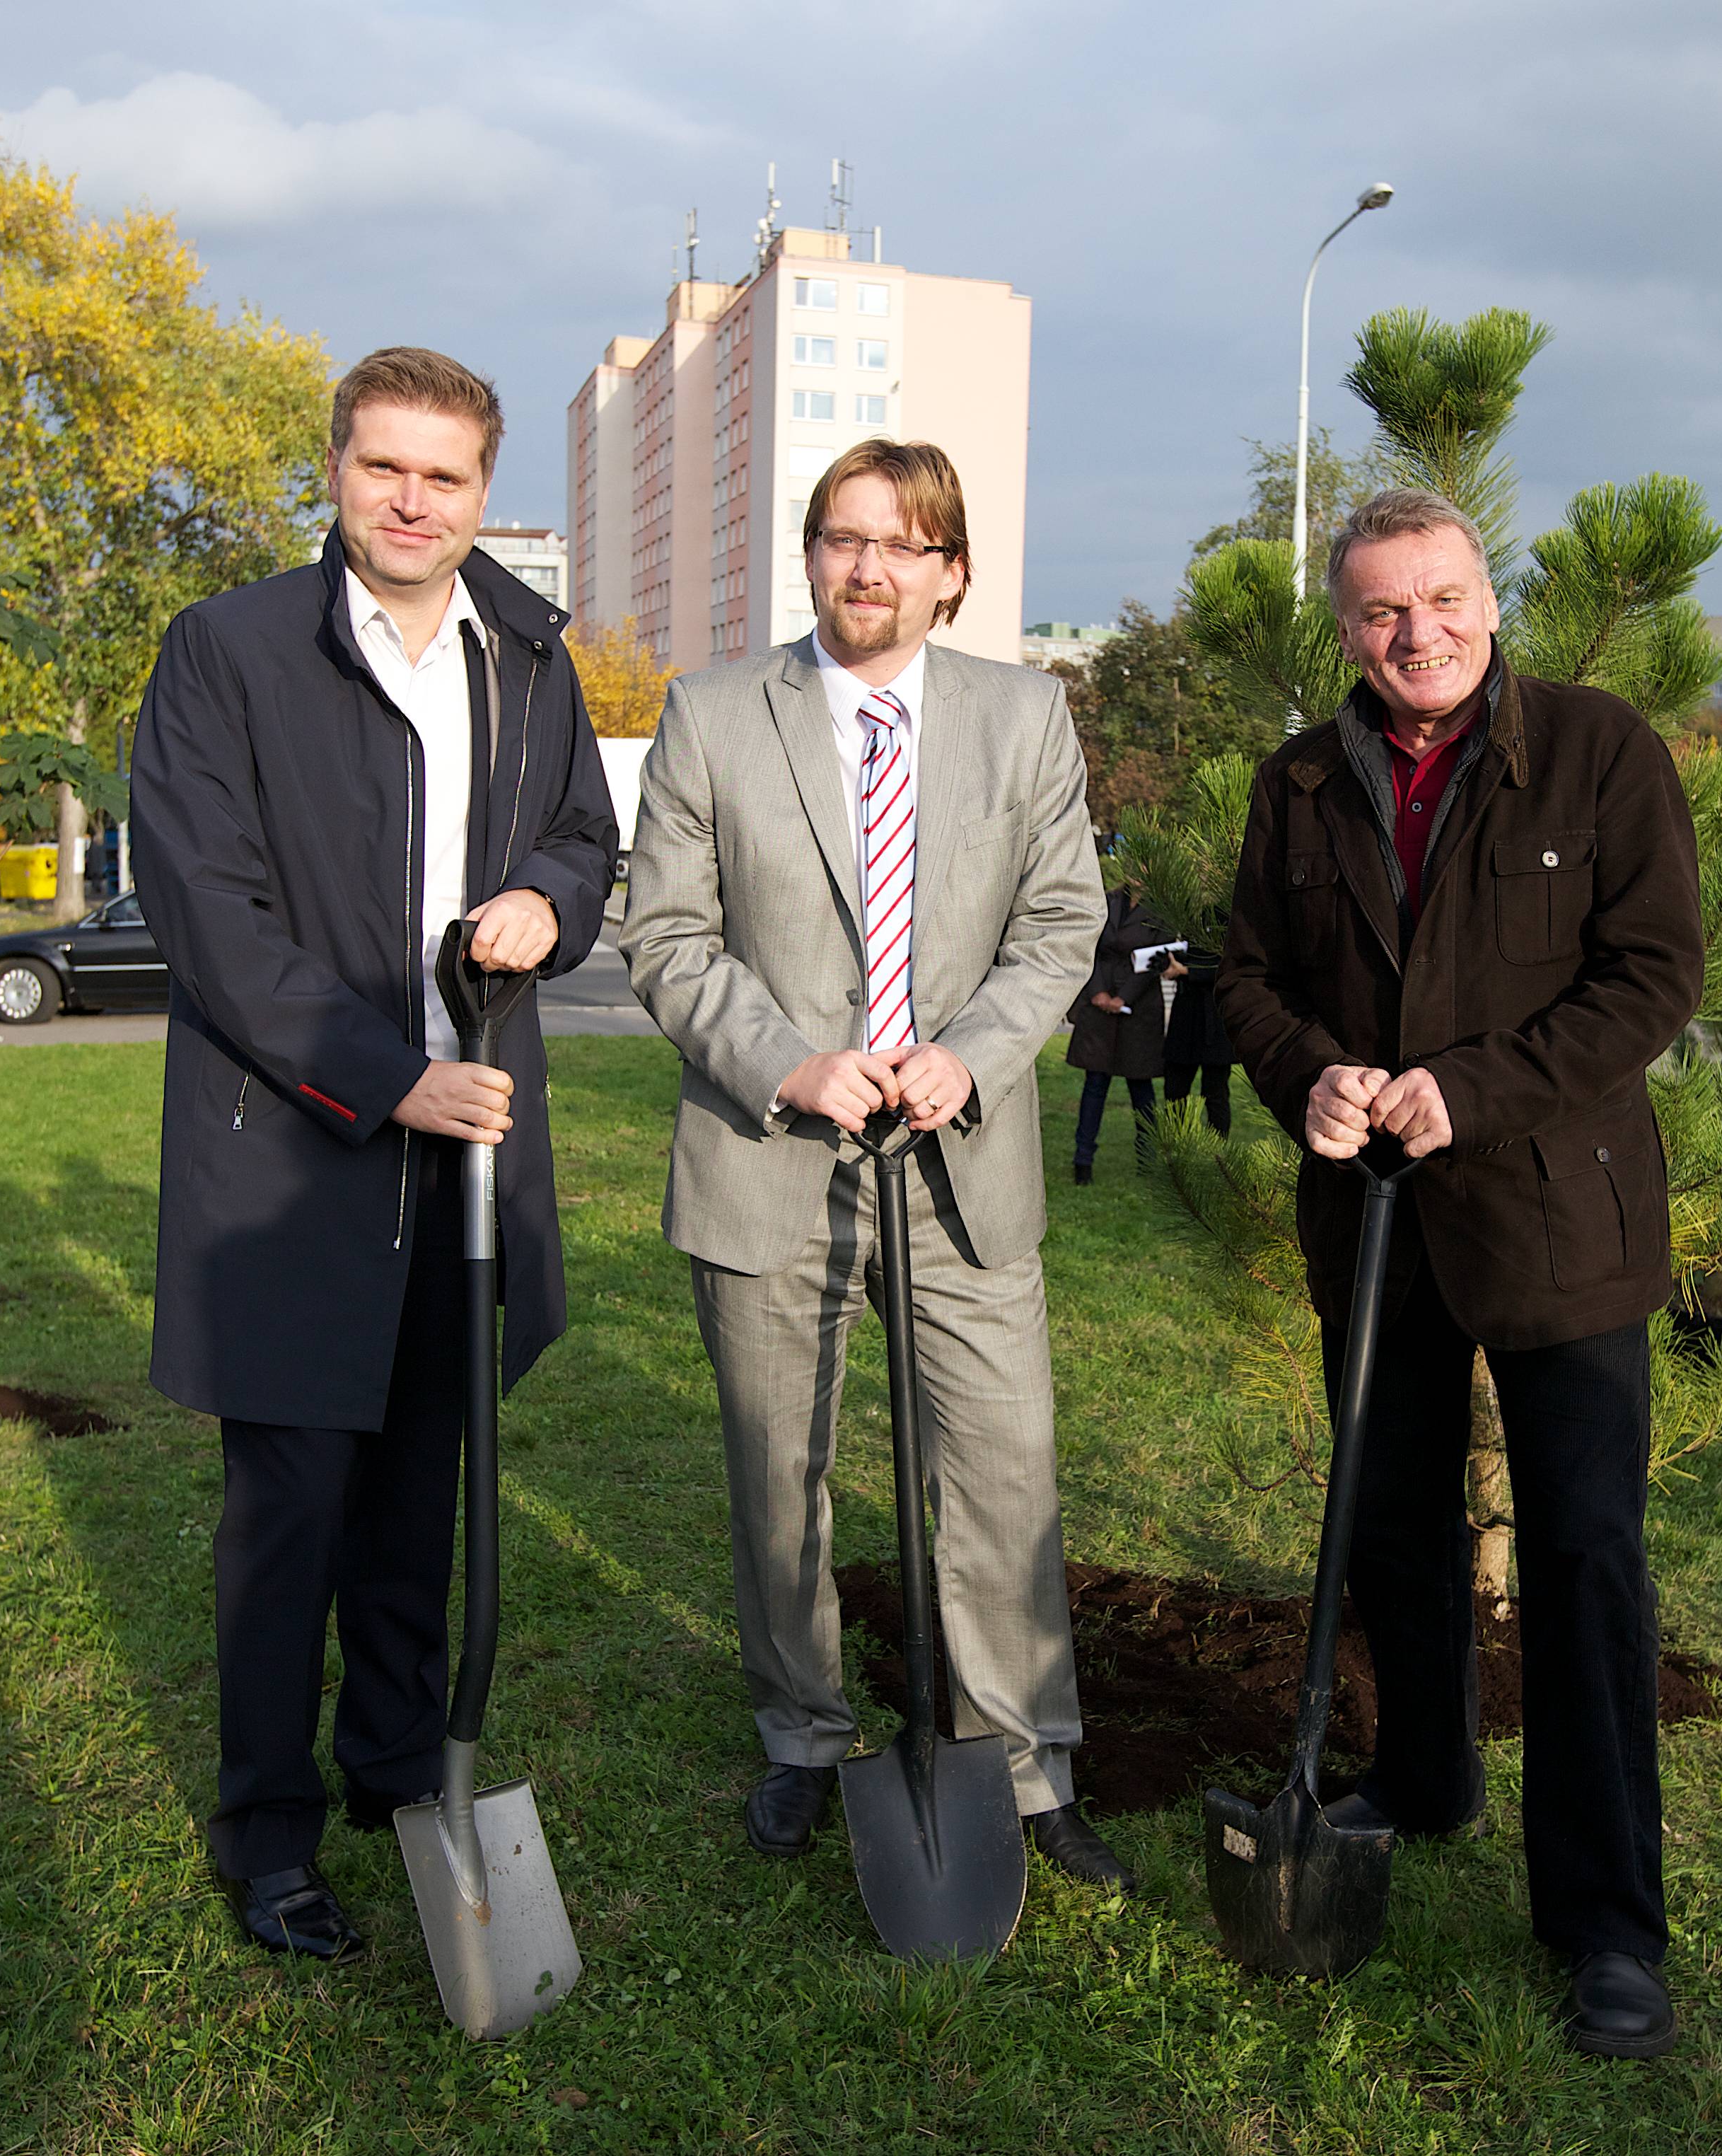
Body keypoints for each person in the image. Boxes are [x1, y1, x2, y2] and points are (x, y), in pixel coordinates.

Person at [131, 347, 619, 1962]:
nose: (413, 503)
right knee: (289, 1516)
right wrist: (383, 1075)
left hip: (466, 1147)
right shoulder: (228, 652)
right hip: (290, 1155)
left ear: (486, 493)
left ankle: (400, 1775)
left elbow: (578, 832)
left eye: (447, 477)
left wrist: (553, 894)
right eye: (382, 468)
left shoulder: (531, 655)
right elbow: (211, 916)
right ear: (334, 470)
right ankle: (268, 1834)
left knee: (420, 1492)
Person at [1216, 487, 1706, 2058]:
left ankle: (1607, 1925)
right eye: (1378, 611)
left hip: (1558, 1218)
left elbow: (1654, 973)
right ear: (1347, 627)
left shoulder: (1598, 750)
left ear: (1489, 600)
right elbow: (1242, 976)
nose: (1412, 633)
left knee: (1582, 1563)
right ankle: (1421, 1783)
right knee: (1393, 1529)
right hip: (1373, 1220)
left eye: (1439, 600)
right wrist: (1315, 1074)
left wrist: (1471, 1091)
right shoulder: (1298, 781)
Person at [619, 439, 1131, 1889]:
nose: (868, 568)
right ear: (812, 556)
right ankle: (801, 1736)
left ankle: (1021, 1762)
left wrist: (967, 1049)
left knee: (1001, 1468)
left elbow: (1058, 922)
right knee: (780, 1473)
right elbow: (664, 933)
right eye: (844, 539)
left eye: (903, 544)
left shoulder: (1028, 718)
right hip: (771, 1146)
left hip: (962, 1154)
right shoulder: (717, 715)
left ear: (951, 571)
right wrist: (788, 1060)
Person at [1063, 882, 1170, 1182]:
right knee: (1095, 1083)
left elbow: (1158, 958)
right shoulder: (1106, 900)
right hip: (1100, 1004)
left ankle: (1148, 1162)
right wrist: (1097, 991)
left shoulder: (1161, 908)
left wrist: (1125, 997)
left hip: (1139, 1008)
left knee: (1141, 1088)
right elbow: (1088, 945)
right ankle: (1082, 1162)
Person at [1161, 933, 1234, 1138]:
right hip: (1185, 1013)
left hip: (1214, 1016)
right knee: (1175, 1091)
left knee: (1215, 1093)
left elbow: (1230, 965)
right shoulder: (1186, 912)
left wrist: (1187, 971)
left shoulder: (1226, 912)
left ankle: (1218, 1158)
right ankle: (1177, 1152)